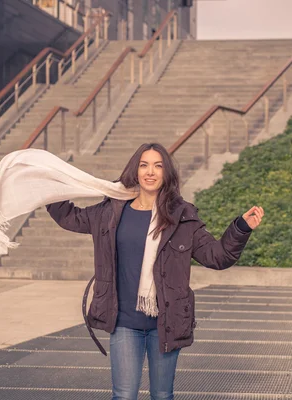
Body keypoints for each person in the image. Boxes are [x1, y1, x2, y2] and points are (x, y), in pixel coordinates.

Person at [46, 143, 264, 400]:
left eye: (158, 166)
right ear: (135, 171)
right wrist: (47, 187)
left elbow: (218, 257)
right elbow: (70, 217)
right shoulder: (111, 211)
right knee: (124, 395)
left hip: (166, 323)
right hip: (124, 322)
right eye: (144, 165)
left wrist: (240, 227)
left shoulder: (182, 217)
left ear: (167, 174)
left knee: (162, 395)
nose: (150, 172)